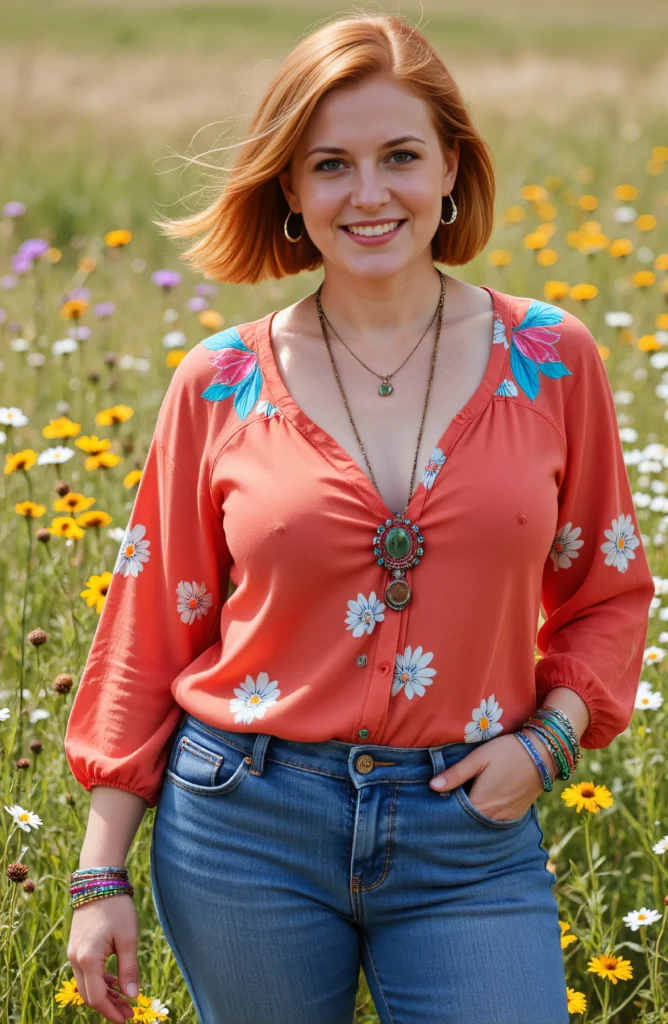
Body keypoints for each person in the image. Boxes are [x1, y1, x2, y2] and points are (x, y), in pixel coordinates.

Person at [64, 12, 655, 1024]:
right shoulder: (220, 382)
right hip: (243, 823)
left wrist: (547, 743)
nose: (369, 193)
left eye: (398, 156)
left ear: (451, 168)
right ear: (290, 190)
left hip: (467, 827)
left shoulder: (554, 360)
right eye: (330, 164)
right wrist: (97, 876)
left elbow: (608, 590)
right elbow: (149, 625)